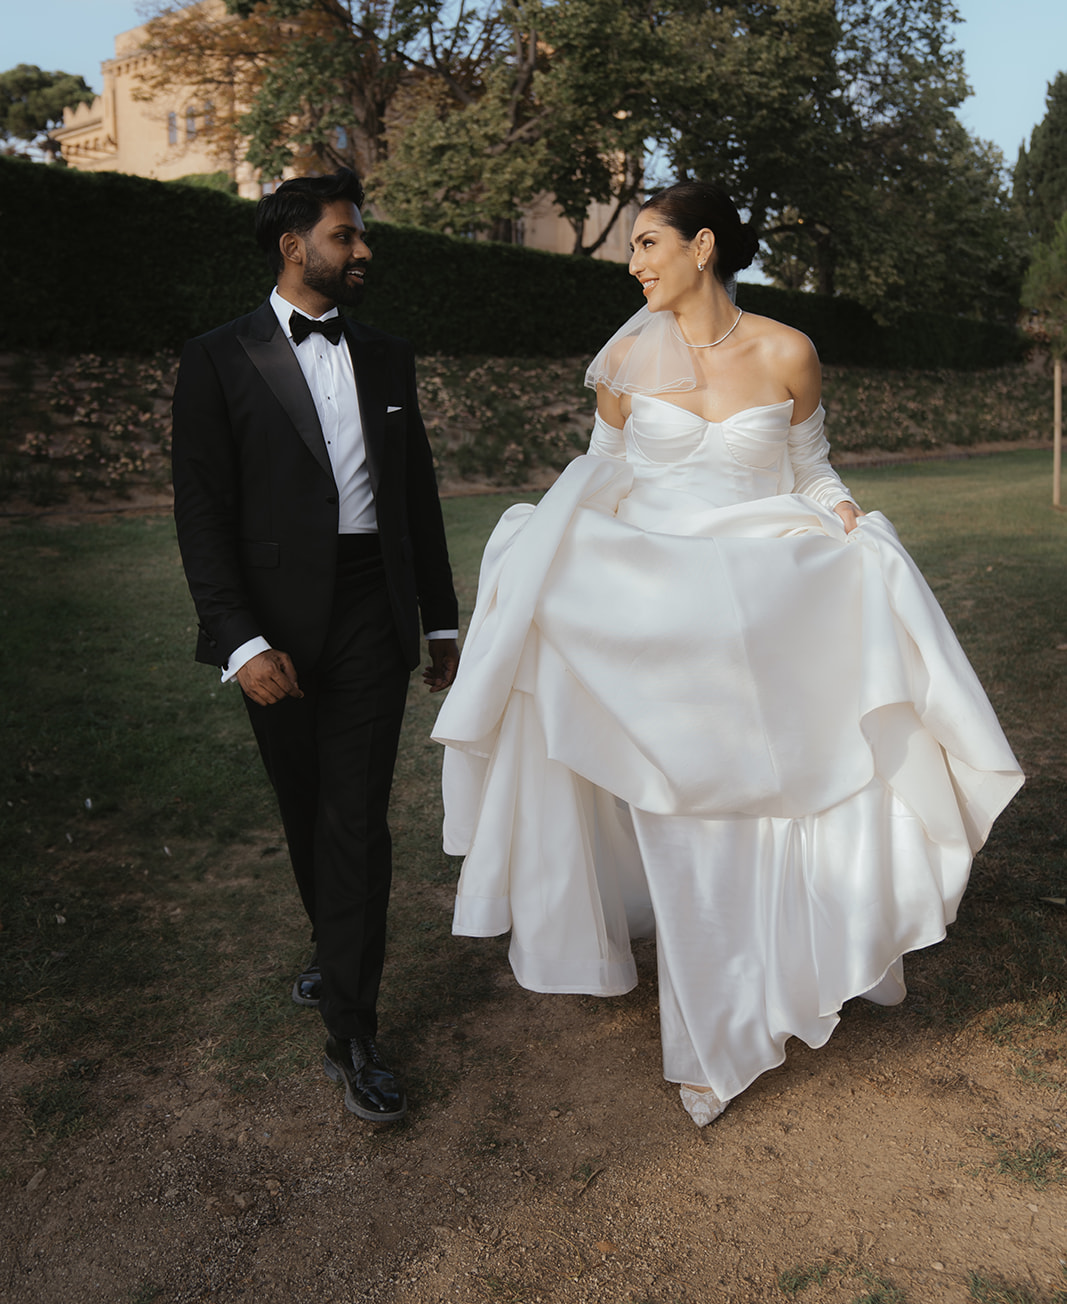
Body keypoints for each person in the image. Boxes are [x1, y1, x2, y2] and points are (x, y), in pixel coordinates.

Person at [433, 180, 1023, 1127]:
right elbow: (602, 471)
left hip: (768, 603)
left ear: (703, 246)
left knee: (770, 804)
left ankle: (790, 964)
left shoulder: (789, 350)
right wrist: (548, 556)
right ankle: (713, 1025)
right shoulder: (622, 356)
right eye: (634, 249)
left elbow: (811, 465)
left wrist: (842, 519)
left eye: (650, 243)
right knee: (682, 813)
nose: (635, 264)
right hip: (659, 617)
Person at [172, 169, 459, 1125]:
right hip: (274, 630)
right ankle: (331, 947)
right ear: (296, 246)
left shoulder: (387, 353)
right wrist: (240, 641)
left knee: (354, 820)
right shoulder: (218, 358)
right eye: (348, 236)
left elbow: (414, 493)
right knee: (306, 810)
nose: (363, 249)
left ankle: (353, 1029)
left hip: (373, 614)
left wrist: (442, 620)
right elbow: (201, 515)